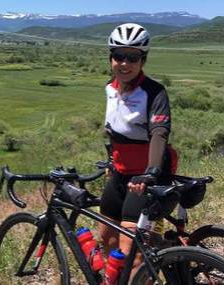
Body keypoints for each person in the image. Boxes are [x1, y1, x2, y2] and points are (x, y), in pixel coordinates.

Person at [97, 23, 178, 269]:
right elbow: (115, 131)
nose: (124, 63)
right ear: (111, 58)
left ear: (143, 60)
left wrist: (151, 171)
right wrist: (111, 160)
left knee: (133, 252)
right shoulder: (110, 90)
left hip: (146, 178)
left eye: (132, 57)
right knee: (106, 239)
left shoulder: (154, 92)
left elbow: (159, 133)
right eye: (119, 56)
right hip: (120, 176)